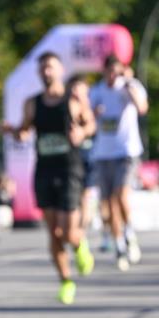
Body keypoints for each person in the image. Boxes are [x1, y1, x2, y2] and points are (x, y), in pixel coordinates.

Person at [2, 52, 95, 303]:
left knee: (67, 232)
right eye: (42, 68)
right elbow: (24, 131)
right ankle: (66, 281)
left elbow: (90, 125)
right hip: (44, 170)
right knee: (53, 233)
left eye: (50, 67)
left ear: (60, 71)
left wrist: (82, 133)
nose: (46, 72)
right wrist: (13, 132)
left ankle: (79, 244)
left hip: (70, 169)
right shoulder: (32, 103)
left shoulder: (72, 99)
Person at [90, 54, 148, 271]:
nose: (113, 76)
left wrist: (129, 82)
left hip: (126, 152)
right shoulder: (96, 91)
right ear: (104, 71)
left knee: (121, 195)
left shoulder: (130, 87)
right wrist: (94, 113)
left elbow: (141, 107)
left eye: (118, 71)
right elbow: (86, 115)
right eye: (110, 71)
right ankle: (119, 246)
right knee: (108, 203)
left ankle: (130, 233)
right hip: (103, 153)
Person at [67, 75, 98, 237]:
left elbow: (90, 125)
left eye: (79, 88)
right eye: (73, 88)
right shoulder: (66, 107)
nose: (75, 92)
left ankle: (82, 230)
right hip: (71, 159)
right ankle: (77, 228)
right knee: (75, 198)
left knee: (86, 196)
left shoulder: (89, 108)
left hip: (88, 158)